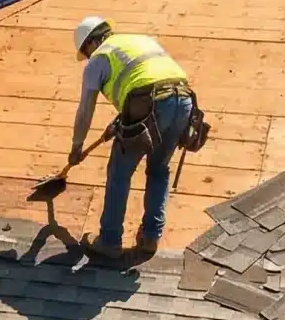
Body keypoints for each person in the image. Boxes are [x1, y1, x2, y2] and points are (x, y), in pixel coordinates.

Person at [66, 16, 195, 259]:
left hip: (149, 103)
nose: (87, 56)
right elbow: (144, 77)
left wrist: (76, 147)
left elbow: (85, 111)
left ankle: (110, 240)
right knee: (158, 169)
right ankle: (150, 237)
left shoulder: (98, 60)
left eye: (85, 51)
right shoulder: (138, 40)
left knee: (119, 172)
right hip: (183, 100)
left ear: (90, 43)